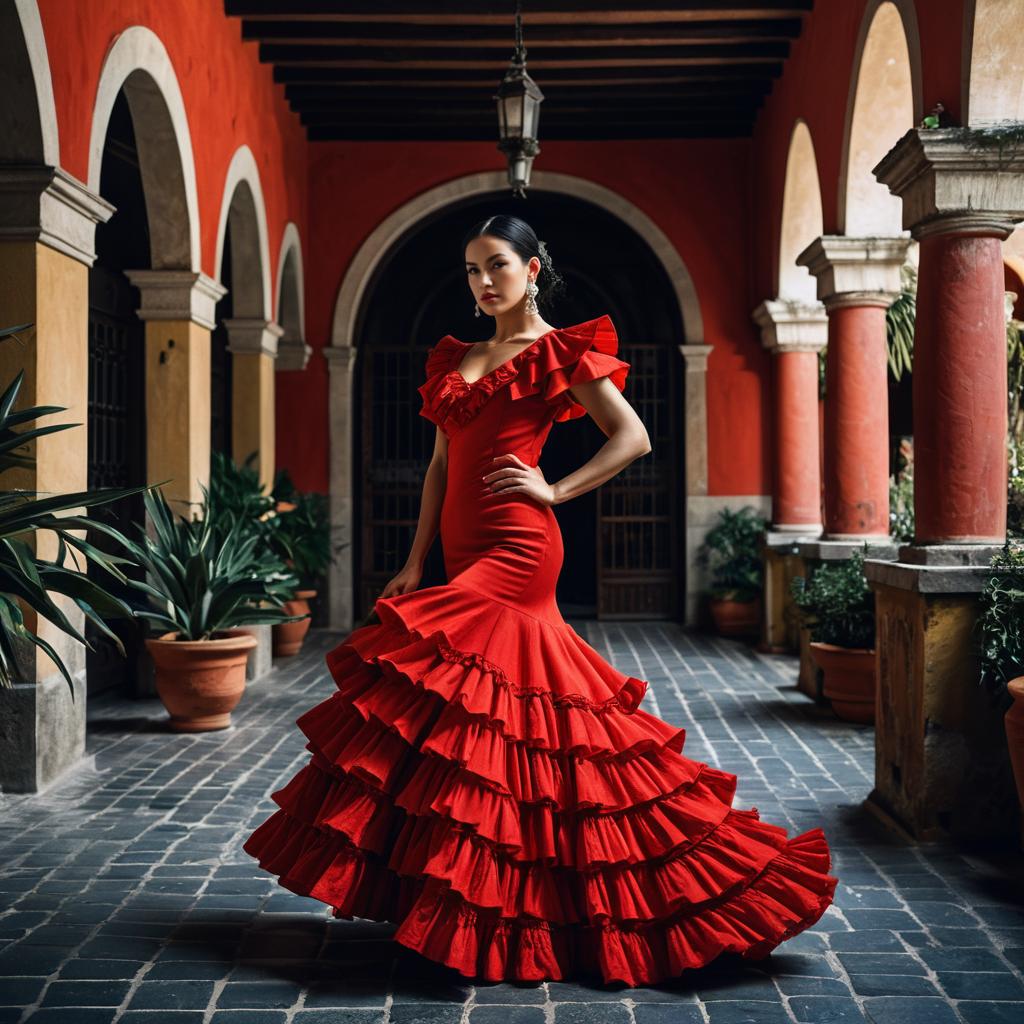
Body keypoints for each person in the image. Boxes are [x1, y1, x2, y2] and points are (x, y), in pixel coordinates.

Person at [243, 214, 837, 986]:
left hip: (522, 549)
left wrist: (553, 488)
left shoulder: (559, 352)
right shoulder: (457, 354)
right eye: (470, 270)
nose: (482, 282)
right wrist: (415, 560)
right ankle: (490, 896)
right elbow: (439, 466)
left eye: (496, 266)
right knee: (513, 714)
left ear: (532, 267)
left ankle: (479, 897)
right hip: (460, 547)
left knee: (450, 689)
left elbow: (632, 438)